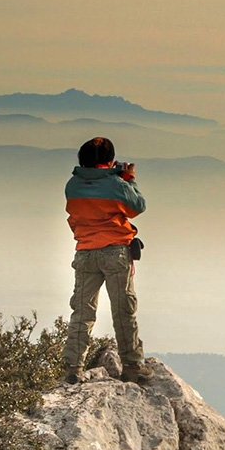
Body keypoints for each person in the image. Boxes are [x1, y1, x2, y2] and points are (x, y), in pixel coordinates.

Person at [62, 136, 153, 384]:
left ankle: (72, 368)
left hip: (85, 254)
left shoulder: (72, 185)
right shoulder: (116, 184)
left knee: (82, 312)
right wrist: (128, 179)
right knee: (123, 310)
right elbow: (137, 206)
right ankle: (133, 367)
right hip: (114, 253)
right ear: (109, 161)